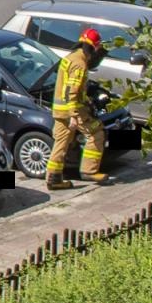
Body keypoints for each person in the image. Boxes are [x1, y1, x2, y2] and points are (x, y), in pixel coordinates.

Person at [45, 27, 110, 189]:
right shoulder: (80, 65)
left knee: (61, 143)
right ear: (93, 48)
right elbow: (71, 91)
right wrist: (74, 115)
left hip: (60, 110)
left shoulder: (71, 57)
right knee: (97, 132)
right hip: (73, 111)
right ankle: (89, 170)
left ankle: (54, 179)